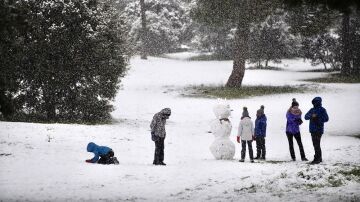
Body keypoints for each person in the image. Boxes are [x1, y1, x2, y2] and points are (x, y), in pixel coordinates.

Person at [305, 97, 329, 164]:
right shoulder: (312, 110)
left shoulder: (322, 110)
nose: (315, 103)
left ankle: (317, 159)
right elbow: (305, 117)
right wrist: (311, 116)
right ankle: (319, 158)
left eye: (316, 102)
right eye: (314, 102)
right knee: (316, 144)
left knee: (316, 144)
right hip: (312, 129)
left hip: (319, 130)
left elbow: (326, 119)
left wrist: (318, 117)